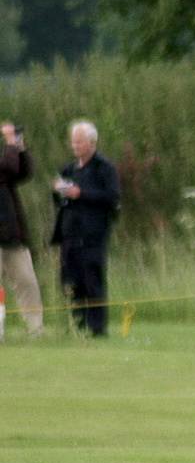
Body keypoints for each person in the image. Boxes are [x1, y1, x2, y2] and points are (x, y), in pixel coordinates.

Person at [50, 120, 119, 337]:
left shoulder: (104, 167)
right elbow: (57, 199)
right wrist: (59, 190)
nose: (75, 146)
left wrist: (82, 193)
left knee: (92, 278)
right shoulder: (69, 168)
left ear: (91, 142)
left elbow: (112, 197)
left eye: (79, 142)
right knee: (71, 280)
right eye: (73, 142)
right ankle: (78, 326)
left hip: (92, 234)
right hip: (69, 232)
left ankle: (97, 328)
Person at [0, 122, 44, 337]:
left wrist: (20, 148)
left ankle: (35, 330)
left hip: (10, 234)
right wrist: (9, 144)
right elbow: (7, 167)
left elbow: (21, 172)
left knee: (27, 282)